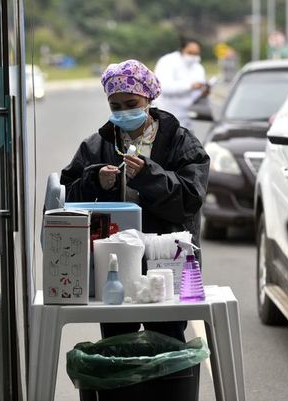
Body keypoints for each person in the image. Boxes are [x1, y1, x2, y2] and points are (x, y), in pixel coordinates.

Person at [60, 59, 210, 342]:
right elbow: (67, 198)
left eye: (131, 103)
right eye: (115, 106)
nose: (123, 112)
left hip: (167, 262)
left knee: (167, 341)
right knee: (117, 342)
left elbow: (191, 199)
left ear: (149, 98)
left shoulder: (182, 143)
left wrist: (148, 174)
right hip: (114, 265)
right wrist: (95, 180)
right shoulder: (96, 146)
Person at [153, 37, 209, 130]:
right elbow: (162, 88)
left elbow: (196, 95)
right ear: (182, 50)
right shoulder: (168, 61)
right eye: (190, 53)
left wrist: (203, 92)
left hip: (187, 118)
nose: (193, 57)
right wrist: (190, 86)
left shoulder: (199, 68)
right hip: (166, 115)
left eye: (196, 54)